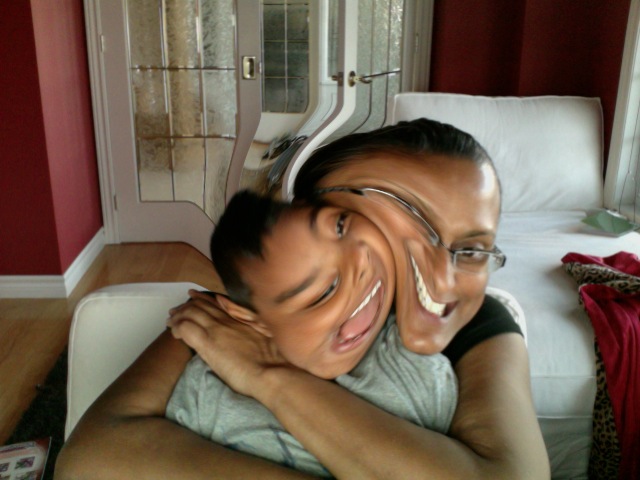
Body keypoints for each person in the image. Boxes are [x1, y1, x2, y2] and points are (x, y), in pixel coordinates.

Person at [55, 118, 549, 479]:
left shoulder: (481, 322)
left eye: (473, 250)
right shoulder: (228, 318)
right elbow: (88, 461)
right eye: (411, 221)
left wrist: (267, 375)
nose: (442, 280)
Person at [166, 190, 457, 477]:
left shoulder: (411, 365)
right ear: (253, 320)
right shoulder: (208, 387)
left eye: (341, 226)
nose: (361, 260)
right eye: (325, 292)